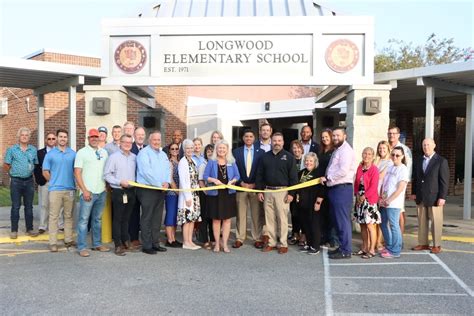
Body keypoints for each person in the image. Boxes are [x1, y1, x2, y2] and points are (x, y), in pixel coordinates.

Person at [256, 132, 298, 254]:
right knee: (269, 219)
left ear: (283, 142)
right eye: (274, 141)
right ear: (271, 142)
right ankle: (271, 242)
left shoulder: (289, 157)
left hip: (283, 192)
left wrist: (291, 193)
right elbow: (260, 175)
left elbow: (293, 178)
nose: (277, 143)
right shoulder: (265, 157)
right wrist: (260, 191)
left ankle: (283, 243)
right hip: (268, 191)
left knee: (282, 219)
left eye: (279, 141)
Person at [321, 128, 356, 259]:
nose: (335, 138)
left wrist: (328, 177)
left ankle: (346, 250)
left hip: (341, 188)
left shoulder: (346, 151)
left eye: (338, 135)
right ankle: (342, 247)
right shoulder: (338, 149)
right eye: (334, 135)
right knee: (338, 221)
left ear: (344, 136)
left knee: (342, 221)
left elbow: (343, 170)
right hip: (335, 189)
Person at [74, 128, 109, 257]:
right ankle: (82, 247)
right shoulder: (82, 153)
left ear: (99, 138)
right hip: (88, 192)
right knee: (83, 220)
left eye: (96, 137)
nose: (94, 139)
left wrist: (106, 185)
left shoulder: (104, 152)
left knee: (97, 219)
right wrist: (84, 190)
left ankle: (97, 244)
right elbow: (77, 172)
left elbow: (106, 170)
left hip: (101, 191)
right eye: (92, 137)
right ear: (88, 139)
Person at [411, 138, 449, 254]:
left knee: (436, 222)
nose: (425, 147)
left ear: (434, 146)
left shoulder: (441, 161)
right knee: (422, 222)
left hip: (435, 197)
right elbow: (416, 178)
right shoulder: (418, 160)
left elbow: (444, 181)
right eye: (424, 145)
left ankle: (436, 245)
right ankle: (423, 243)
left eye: (428, 145)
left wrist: (442, 197)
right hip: (421, 196)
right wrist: (414, 192)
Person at [136, 130, 170, 255]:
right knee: (147, 217)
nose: (156, 142)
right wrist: (159, 184)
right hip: (148, 190)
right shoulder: (144, 154)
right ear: (149, 141)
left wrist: (166, 182)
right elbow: (146, 172)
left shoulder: (163, 155)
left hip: (161, 190)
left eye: (158, 140)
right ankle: (146, 245)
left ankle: (155, 243)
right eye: (154, 140)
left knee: (157, 218)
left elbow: (167, 169)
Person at [104, 134, 138, 256]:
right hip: (119, 191)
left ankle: (126, 241)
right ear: (120, 143)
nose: (127, 144)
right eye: (125, 142)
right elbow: (107, 175)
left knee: (126, 218)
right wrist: (119, 182)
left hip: (131, 191)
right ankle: (118, 245)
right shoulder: (114, 157)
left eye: (130, 142)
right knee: (118, 219)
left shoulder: (134, 157)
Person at [42, 129, 76, 252]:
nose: (63, 139)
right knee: (53, 217)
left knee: (68, 216)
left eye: (65, 137)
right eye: (60, 136)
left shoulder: (73, 154)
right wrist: (53, 182)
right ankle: (53, 242)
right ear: (57, 138)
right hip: (55, 190)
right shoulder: (50, 154)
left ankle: (68, 240)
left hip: (70, 189)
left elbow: (76, 171)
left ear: (67, 139)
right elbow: (45, 171)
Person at [204, 140, 240, 253]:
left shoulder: (232, 161)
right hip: (215, 194)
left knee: (227, 220)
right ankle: (217, 244)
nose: (221, 150)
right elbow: (205, 176)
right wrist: (214, 180)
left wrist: (232, 181)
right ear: (216, 149)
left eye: (224, 148)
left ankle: (224, 244)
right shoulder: (211, 161)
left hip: (228, 194)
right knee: (216, 220)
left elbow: (237, 175)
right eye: (219, 148)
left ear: (227, 149)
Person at [3, 127, 39, 239]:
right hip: (16, 181)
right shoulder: (12, 150)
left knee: (29, 207)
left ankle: (29, 228)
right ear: (19, 137)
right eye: (22, 135)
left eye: (26, 135)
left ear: (29, 137)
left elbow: (36, 164)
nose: (24, 137)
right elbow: (6, 165)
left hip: (29, 181)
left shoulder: (33, 150)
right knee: (15, 206)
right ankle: (14, 230)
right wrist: (12, 174)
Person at [232, 130, 265, 249]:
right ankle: (240, 238)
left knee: (256, 214)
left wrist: (255, 184)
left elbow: (261, 171)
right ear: (243, 138)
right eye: (246, 136)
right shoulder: (236, 152)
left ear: (254, 138)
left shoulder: (261, 152)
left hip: (254, 188)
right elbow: (233, 169)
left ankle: (257, 238)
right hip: (241, 187)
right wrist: (241, 182)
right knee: (241, 214)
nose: (249, 138)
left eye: (251, 136)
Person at [378, 146, 409, 259]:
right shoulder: (390, 167)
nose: (394, 157)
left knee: (394, 225)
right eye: (393, 155)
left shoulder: (403, 169)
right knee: (383, 223)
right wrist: (381, 198)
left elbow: (400, 188)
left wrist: (389, 200)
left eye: (397, 155)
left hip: (394, 203)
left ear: (402, 156)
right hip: (385, 201)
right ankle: (390, 245)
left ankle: (395, 250)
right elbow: (385, 184)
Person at [353, 147, 380, 259]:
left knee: (370, 225)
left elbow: (374, 187)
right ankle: (364, 247)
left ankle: (372, 249)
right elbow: (356, 183)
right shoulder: (360, 168)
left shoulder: (374, 169)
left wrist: (364, 196)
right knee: (362, 225)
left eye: (369, 154)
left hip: (369, 200)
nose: (366, 156)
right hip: (360, 199)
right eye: (365, 153)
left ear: (373, 156)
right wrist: (357, 195)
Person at [34, 132, 63, 234]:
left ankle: (59, 224)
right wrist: (40, 180)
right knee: (44, 204)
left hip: (57, 182)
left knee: (58, 205)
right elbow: (37, 168)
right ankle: (42, 225)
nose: (51, 140)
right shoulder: (39, 153)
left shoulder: (60, 152)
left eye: (53, 139)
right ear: (46, 140)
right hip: (45, 182)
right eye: (49, 139)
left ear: (56, 140)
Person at [297, 152, 326, 255]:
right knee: (305, 224)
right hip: (302, 203)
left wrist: (318, 202)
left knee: (314, 224)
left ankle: (315, 246)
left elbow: (322, 189)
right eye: (307, 160)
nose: (308, 163)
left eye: (311, 161)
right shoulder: (301, 173)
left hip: (314, 203)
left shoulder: (319, 173)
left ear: (315, 162)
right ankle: (309, 244)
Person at [387, 126, 412, 236]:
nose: (391, 135)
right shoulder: (386, 147)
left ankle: (399, 237)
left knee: (399, 211)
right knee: (388, 212)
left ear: (398, 135)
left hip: (399, 182)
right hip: (387, 183)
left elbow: (409, 167)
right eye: (390, 133)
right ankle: (389, 238)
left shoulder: (404, 149)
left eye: (394, 133)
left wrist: (406, 185)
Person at [178, 139, 202, 250]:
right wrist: (187, 197)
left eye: (191, 148)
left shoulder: (193, 161)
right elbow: (183, 181)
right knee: (187, 220)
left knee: (192, 219)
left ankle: (190, 241)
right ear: (184, 149)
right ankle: (186, 242)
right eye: (187, 148)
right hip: (187, 196)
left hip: (194, 194)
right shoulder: (183, 162)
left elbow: (195, 178)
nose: (190, 150)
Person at [317, 129, 337, 248]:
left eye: (326, 137)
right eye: (323, 137)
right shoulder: (321, 151)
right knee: (323, 213)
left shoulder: (334, 151)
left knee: (331, 214)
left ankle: (333, 239)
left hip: (330, 184)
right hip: (321, 185)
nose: (324, 139)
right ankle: (324, 237)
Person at [129, 126, 147, 246]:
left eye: (142, 135)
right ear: (134, 136)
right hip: (134, 187)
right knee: (134, 213)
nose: (140, 137)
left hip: (147, 187)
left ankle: (147, 237)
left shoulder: (147, 149)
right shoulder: (130, 149)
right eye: (138, 135)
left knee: (146, 212)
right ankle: (134, 237)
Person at [374, 140, 392, 251]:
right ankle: (374, 240)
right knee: (374, 218)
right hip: (373, 191)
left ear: (388, 149)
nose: (382, 150)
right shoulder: (377, 160)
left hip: (381, 192)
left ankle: (379, 242)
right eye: (380, 148)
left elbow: (380, 176)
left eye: (384, 148)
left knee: (381, 219)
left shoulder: (389, 162)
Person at [196, 144, 215, 249]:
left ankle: (213, 239)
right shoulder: (203, 164)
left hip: (214, 195)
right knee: (204, 218)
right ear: (206, 154)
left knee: (213, 217)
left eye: (212, 151)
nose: (210, 153)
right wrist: (206, 192)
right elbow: (201, 181)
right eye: (208, 152)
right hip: (205, 195)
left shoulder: (216, 163)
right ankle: (204, 240)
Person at [164, 142, 182, 248]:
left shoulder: (179, 162)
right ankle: (170, 239)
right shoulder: (169, 162)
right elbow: (170, 179)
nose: (175, 150)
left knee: (175, 216)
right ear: (169, 150)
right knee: (170, 215)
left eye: (176, 149)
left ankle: (173, 238)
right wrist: (177, 191)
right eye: (172, 149)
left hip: (179, 192)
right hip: (172, 193)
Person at [289, 140, 305, 247]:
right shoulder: (290, 160)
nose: (296, 150)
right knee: (294, 213)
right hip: (293, 191)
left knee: (303, 213)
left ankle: (303, 235)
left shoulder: (306, 160)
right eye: (294, 148)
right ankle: (295, 234)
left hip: (304, 192)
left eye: (298, 147)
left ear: (302, 149)